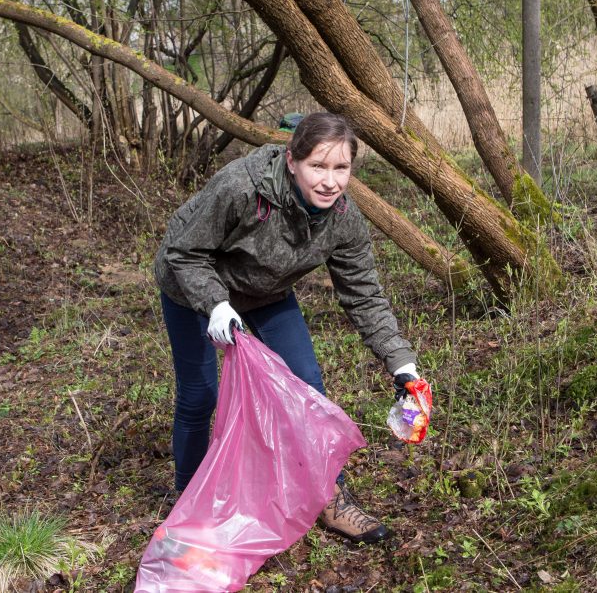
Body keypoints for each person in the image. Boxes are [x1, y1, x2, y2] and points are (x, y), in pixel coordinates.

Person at [153, 112, 421, 544]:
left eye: (341, 168)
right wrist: (216, 305)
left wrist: (402, 364)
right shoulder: (241, 187)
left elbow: (364, 295)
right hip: (193, 285)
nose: (330, 181)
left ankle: (329, 499)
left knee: (308, 389)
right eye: (318, 165)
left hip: (266, 291)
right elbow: (184, 254)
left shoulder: (343, 218)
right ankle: (189, 503)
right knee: (200, 393)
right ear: (292, 160)